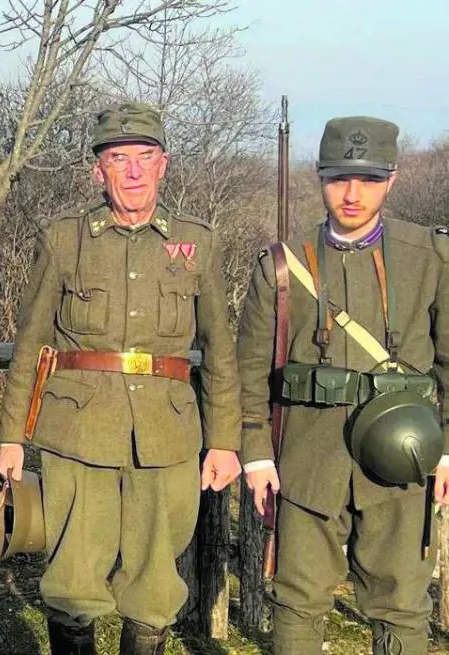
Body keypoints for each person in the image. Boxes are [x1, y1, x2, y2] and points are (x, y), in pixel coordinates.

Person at [0, 102, 242, 655]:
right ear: (97, 171)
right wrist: (11, 436)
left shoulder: (196, 242)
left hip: (167, 435)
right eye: (118, 158)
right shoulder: (64, 240)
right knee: (73, 580)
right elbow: (30, 344)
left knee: (155, 585)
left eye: (144, 157)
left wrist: (224, 440)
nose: (132, 171)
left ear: (164, 165)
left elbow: (220, 350)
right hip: (78, 433)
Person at [238, 116, 449, 655]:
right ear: (320, 177)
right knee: (297, 600)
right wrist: (257, 454)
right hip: (308, 458)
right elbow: (250, 372)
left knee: (401, 604)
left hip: (403, 456)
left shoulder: (431, 257)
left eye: (369, 179)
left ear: (392, 180)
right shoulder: (282, 265)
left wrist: (445, 448)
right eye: (338, 178)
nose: (352, 194)